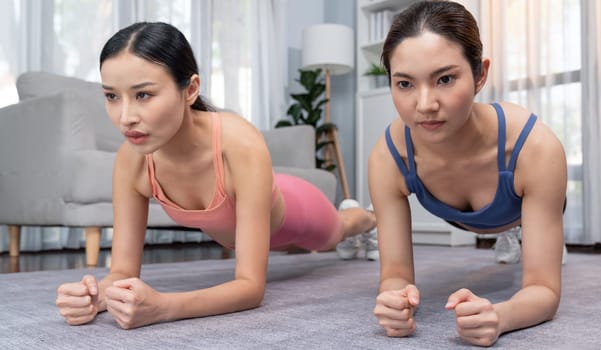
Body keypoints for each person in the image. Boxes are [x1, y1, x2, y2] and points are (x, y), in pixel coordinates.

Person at [55, 21, 376, 330]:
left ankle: (367, 219)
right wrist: (98, 296)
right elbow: (123, 271)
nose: (125, 117)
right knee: (299, 255)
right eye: (112, 96)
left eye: (143, 95)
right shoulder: (133, 160)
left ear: (190, 89)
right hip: (250, 235)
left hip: (299, 211)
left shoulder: (239, 143)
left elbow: (251, 287)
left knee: (337, 233)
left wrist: (163, 307)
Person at [368, 1, 567, 347]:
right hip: (463, 218)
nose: (425, 104)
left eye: (445, 79)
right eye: (404, 84)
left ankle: (529, 233)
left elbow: (543, 290)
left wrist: (501, 316)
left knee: (544, 255)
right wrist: (392, 300)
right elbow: (395, 274)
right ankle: (513, 237)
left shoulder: (534, 148)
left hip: (519, 206)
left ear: (480, 75)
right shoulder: (389, 157)